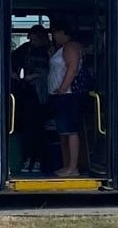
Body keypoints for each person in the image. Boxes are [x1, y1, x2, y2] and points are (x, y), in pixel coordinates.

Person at [46, 19, 86, 177]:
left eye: (55, 32)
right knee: (64, 131)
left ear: (63, 32)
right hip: (62, 95)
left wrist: (62, 88)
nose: (54, 36)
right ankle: (67, 164)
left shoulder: (69, 46)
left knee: (70, 131)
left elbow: (72, 67)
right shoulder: (62, 48)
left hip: (67, 95)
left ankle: (72, 167)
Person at [10, 25, 50, 173]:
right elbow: (12, 61)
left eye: (34, 38)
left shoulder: (49, 50)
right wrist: (15, 75)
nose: (32, 41)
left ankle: (38, 160)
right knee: (29, 129)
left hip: (44, 93)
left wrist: (35, 75)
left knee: (39, 130)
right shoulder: (26, 49)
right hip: (29, 92)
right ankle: (29, 159)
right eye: (30, 38)